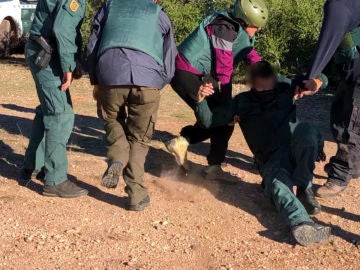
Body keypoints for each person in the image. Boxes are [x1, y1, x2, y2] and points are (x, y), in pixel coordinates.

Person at [195, 61, 331, 246]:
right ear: (252, 83)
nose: (266, 91)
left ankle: (304, 189)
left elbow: (320, 78)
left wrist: (317, 82)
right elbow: (208, 121)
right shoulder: (242, 102)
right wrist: (200, 100)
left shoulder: (286, 86)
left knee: (307, 132)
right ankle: (301, 223)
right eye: (260, 88)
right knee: (277, 186)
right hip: (270, 158)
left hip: (294, 147)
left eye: (270, 86)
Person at [86, 0, 176, 211]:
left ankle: (117, 157)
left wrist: (96, 80)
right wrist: (157, 82)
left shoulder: (109, 8)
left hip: (109, 73)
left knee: (112, 119)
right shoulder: (158, 14)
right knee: (140, 139)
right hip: (148, 79)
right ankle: (136, 195)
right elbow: (170, 56)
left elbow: (92, 47)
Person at [165, 0, 267, 181]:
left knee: (221, 119)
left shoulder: (234, 28)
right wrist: (227, 104)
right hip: (188, 72)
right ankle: (204, 159)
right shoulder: (224, 29)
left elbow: (248, 53)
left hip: (196, 74)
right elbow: (224, 70)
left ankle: (203, 156)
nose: (258, 30)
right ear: (245, 21)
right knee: (221, 117)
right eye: (256, 26)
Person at [21, 0, 88, 198]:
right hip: (46, 54)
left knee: (47, 110)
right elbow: (63, 28)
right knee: (60, 114)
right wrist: (68, 66)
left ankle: (33, 165)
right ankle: (55, 180)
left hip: (43, 50)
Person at [296, 0, 360, 197]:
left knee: (349, 123)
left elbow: (327, 40)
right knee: (340, 113)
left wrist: (311, 76)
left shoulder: (340, 4)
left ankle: (340, 175)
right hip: (353, 64)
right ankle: (354, 166)